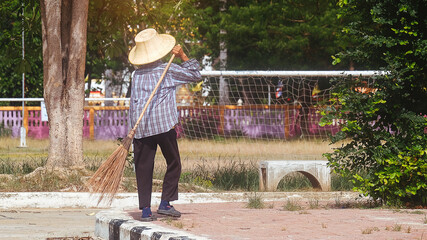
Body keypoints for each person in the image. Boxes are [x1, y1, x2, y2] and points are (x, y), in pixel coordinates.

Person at [128, 28, 201, 221]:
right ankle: (165, 203)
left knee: (143, 168)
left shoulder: (136, 76)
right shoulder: (167, 70)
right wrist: (183, 55)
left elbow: (133, 103)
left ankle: (145, 210)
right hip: (163, 126)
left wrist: (132, 130)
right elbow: (195, 75)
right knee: (174, 163)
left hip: (141, 127)